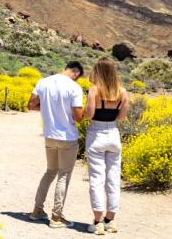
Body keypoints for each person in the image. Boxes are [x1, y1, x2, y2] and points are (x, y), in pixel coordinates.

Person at [27, 61, 85, 228]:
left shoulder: (43, 82)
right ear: (76, 72)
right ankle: (56, 217)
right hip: (67, 138)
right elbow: (78, 117)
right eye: (78, 77)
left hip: (49, 136)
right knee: (64, 175)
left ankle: (37, 210)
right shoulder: (74, 87)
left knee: (50, 172)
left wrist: (47, 110)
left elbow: (31, 105)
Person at [83, 59, 130, 235]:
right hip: (113, 134)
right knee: (113, 179)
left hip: (97, 133)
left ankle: (97, 222)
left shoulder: (94, 90)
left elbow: (89, 114)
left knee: (96, 178)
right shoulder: (123, 92)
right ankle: (110, 220)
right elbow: (122, 117)